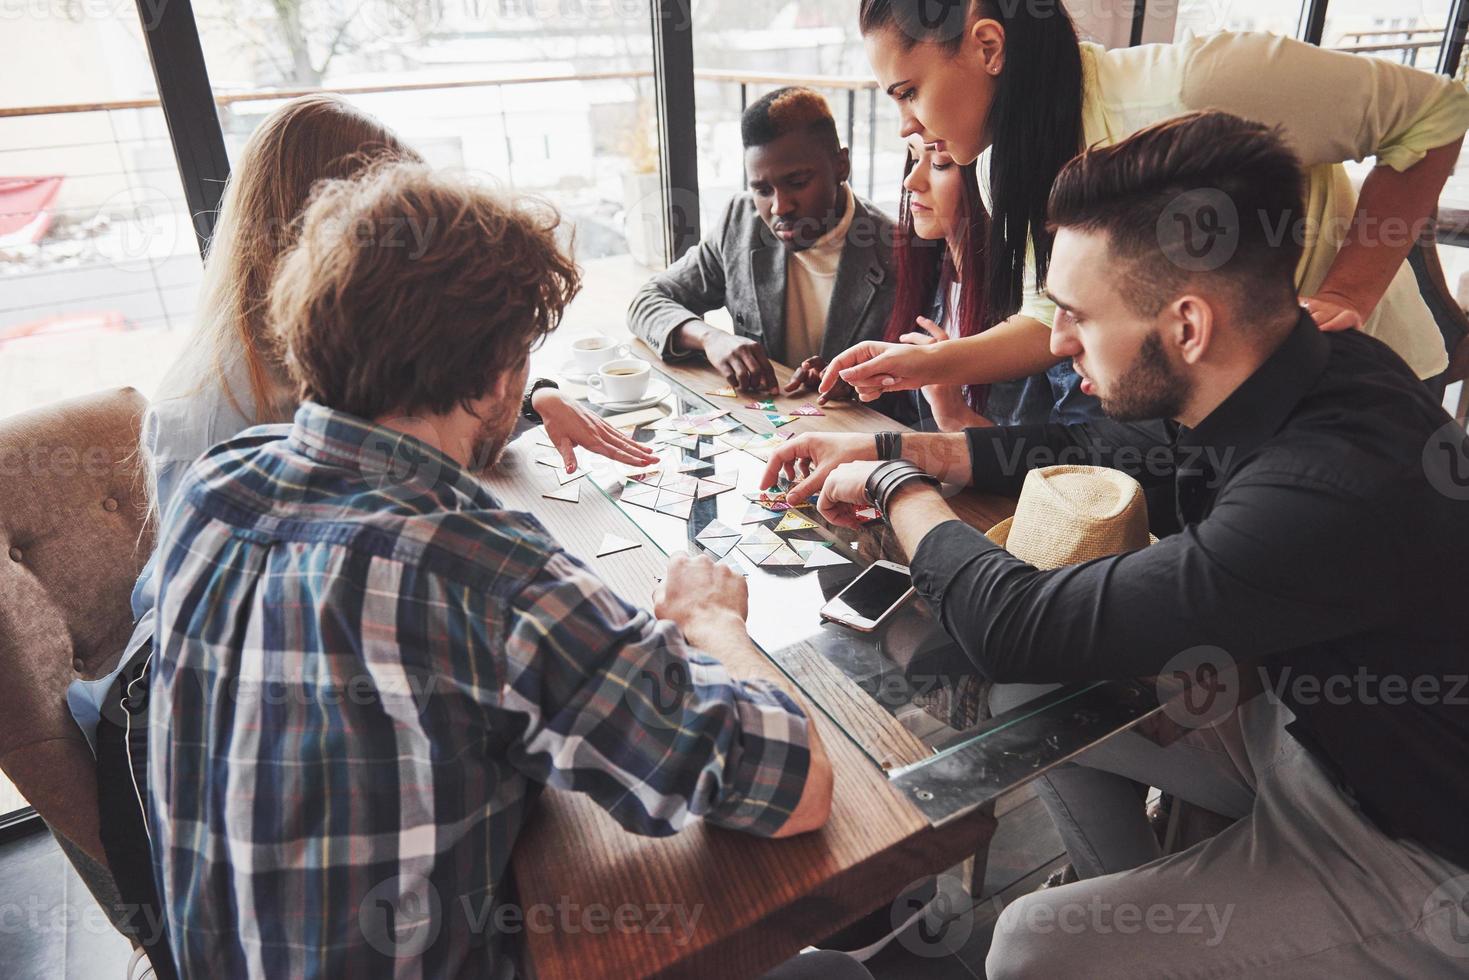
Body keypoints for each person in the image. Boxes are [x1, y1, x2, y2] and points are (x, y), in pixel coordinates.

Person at [763, 110, 1469, 976]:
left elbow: (1019, 622)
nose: (1056, 342)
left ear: (1186, 325)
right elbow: (1102, 448)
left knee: (1028, 945)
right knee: (1029, 700)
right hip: (1314, 735)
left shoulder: (1326, 487)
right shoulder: (1296, 366)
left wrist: (891, 490)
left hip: (1419, 847)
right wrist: (898, 445)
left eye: (1075, 315)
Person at [144, 160, 865, 980]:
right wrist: (713, 623)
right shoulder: (487, 577)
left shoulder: (216, 484)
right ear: (497, 372)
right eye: (524, 356)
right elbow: (797, 786)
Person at [68, 94, 657, 980]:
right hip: (281, 731)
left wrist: (528, 397)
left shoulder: (268, 437)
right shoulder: (219, 427)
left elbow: (403, 432)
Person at [824, 1, 1469, 404]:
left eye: (908, 91)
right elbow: (1047, 318)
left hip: (1358, 371)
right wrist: (922, 364)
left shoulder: (1199, 83)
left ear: (988, 47)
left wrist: (1350, 292)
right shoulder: (999, 169)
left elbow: (1436, 114)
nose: (906, 124)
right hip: (1228, 398)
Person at [628, 86, 896, 396]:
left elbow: (913, 391)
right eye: (762, 190)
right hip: (767, 425)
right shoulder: (740, 223)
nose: (780, 207)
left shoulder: (895, 249)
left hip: (855, 434)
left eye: (797, 183)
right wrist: (711, 338)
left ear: (841, 166)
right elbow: (646, 301)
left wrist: (852, 382)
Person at [877, 135, 1098, 430]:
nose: (911, 181)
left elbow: (1075, 463)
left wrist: (956, 416)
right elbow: (905, 420)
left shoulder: (1045, 308)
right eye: (914, 159)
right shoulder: (926, 277)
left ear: (988, 181)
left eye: (940, 164)